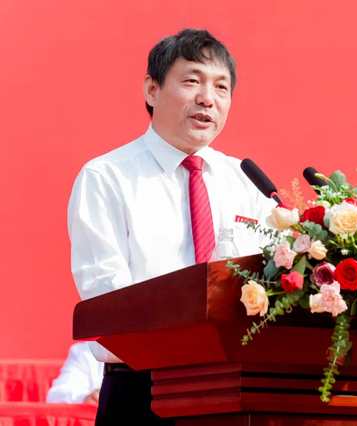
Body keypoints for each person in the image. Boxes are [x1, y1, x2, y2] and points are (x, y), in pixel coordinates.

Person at [67, 29, 276, 425]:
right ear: (152, 89)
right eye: (192, 81)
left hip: (236, 390)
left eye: (221, 87)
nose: (207, 99)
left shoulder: (247, 181)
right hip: (142, 389)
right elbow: (106, 294)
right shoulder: (107, 177)